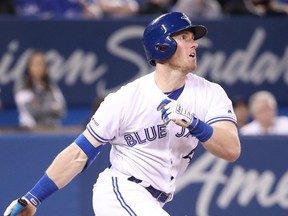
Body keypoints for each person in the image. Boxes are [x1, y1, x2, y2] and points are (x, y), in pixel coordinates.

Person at [4, 12, 241, 216]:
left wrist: (194, 123)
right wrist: (32, 199)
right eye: (184, 37)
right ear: (162, 45)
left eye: (193, 38)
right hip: (120, 191)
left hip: (153, 201)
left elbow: (231, 150)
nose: (194, 44)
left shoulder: (210, 93)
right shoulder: (125, 99)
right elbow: (79, 154)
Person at [14, 50, 66, 129]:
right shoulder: (22, 85)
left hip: (52, 130)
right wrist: (51, 106)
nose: (41, 67)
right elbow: (33, 111)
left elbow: (61, 111)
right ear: (29, 66)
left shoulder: (51, 85)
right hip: (29, 131)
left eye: (43, 64)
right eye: (37, 64)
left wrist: (40, 106)